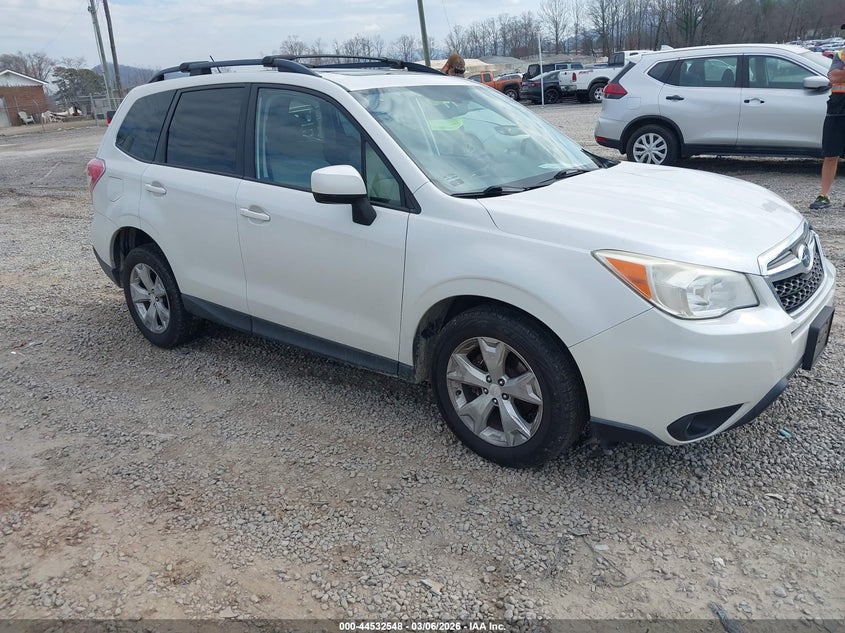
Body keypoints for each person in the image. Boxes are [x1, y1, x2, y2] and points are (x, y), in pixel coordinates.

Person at [809, 28, 845, 210]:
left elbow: (839, 75)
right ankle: (824, 195)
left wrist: (841, 73)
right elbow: (833, 76)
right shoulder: (840, 54)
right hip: (838, 108)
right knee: (831, 154)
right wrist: (839, 73)